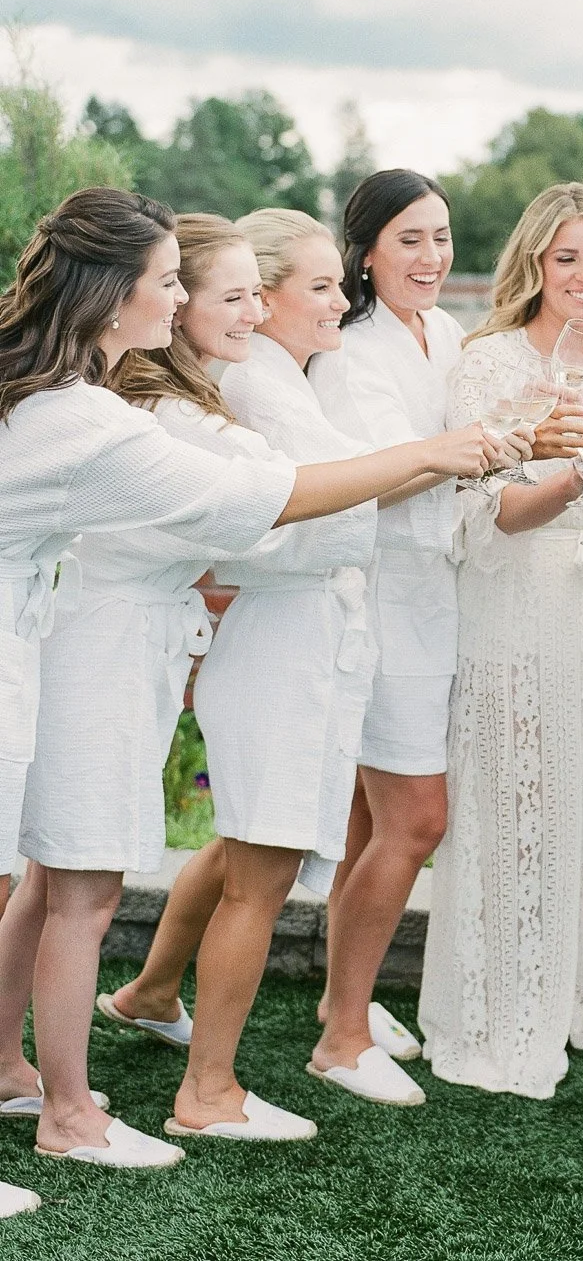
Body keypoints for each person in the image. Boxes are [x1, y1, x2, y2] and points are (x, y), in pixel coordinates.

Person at [0, 190, 481, 1185]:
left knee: (50, 880)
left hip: (71, 642)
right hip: (89, 651)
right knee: (81, 889)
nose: (183, 304)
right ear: (111, 293)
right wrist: (438, 452)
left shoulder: (60, 395)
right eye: (173, 282)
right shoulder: (99, 419)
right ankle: (71, 1113)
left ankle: (15, 1066)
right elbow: (256, 500)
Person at [417, 182, 583, 1098]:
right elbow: (499, 516)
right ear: (534, 266)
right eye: (566, 258)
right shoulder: (489, 364)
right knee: (511, 799)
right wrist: (569, 477)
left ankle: (569, 994)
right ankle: (498, 1017)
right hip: (517, 603)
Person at [306, 170, 470, 1092]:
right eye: (410, 238)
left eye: (441, 237)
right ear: (365, 249)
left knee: (372, 818)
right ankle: (340, 1043)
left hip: (439, 595)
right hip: (380, 596)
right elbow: (373, 476)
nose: (431, 257)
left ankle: (345, 1005)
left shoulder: (442, 332)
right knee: (415, 820)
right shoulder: (351, 351)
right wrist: (474, 449)